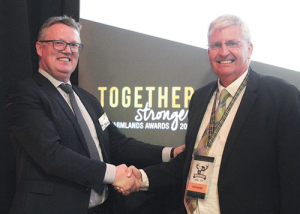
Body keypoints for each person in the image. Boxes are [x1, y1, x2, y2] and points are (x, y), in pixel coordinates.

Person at [5, 16, 185, 214]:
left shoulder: (87, 99)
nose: (67, 50)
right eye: (59, 43)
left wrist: (170, 153)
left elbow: (118, 144)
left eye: (74, 45)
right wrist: (112, 174)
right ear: (40, 48)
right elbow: (52, 155)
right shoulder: (25, 94)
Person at [124, 14, 300, 214]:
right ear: (208, 51)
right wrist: (141, 178)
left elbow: (293, 177)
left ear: (249, 49)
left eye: (232, 43)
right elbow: (189, 161)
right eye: (216, 45)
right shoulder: (200, 98)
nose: (224, 52)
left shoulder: (280, 96)